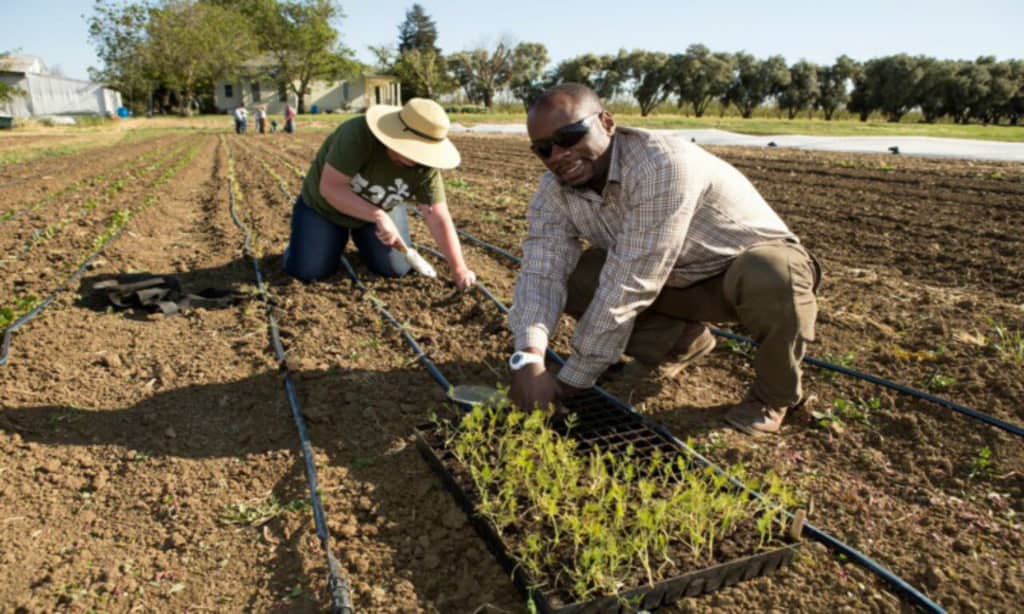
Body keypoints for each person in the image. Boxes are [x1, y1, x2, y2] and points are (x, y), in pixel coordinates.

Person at [507, 83, 821, 437]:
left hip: (734, 273)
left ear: (607, 123)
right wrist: (529, 357)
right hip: (670, 278)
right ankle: (681, 343)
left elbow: (630, 283)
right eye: (544, 149)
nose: (559, 155)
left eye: (570, 136)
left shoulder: (661, 164)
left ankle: (773, 397)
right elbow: (540, 272)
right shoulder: (554, 192)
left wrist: (571, 382)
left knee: (772, 272)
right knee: (578, 276)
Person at [282, 97, 476, 290]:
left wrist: (459, 269)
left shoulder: (426, 167)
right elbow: (331, 188)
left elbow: (438, 216)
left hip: (374, 215)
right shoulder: (357, 135)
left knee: (396, 269)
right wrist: (378, 215)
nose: (416, 160)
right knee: (309, 271)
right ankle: (316, 241)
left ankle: (352, 243)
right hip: (325, 209)